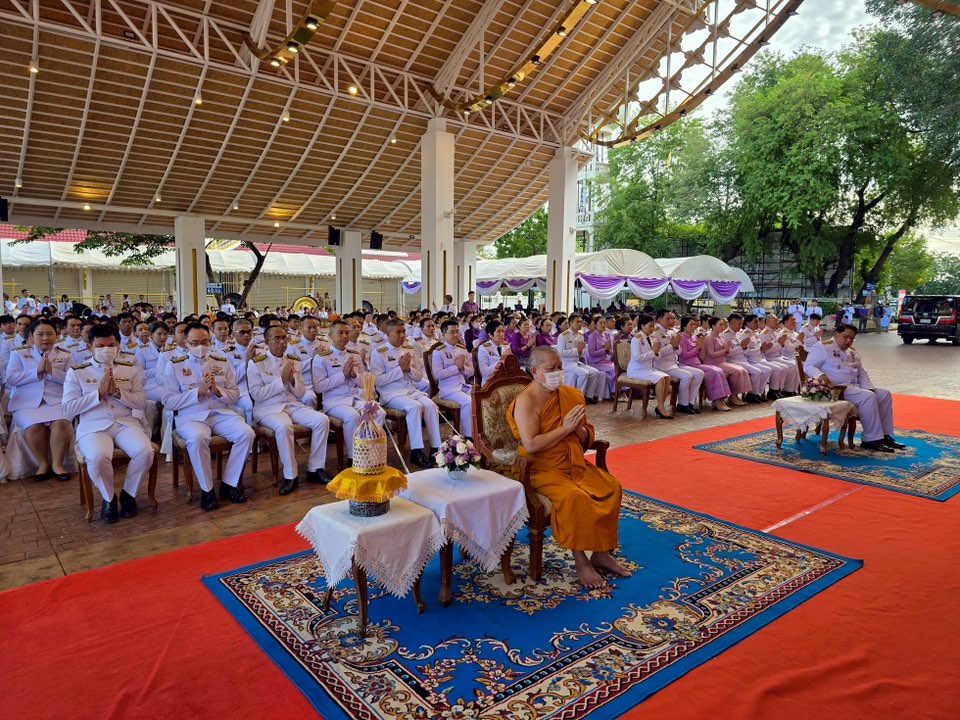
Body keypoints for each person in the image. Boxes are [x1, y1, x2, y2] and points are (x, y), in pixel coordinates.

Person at [508, 346, 630, 589]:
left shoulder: (571, 395)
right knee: (576, 498)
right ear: (535, 371)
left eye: (560, 367)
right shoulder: (526, 401)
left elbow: (586, 435)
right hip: (541, 469)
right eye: (550, 369)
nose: (557, 373)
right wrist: (564, 428)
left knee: (612, 487)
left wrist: (578, 430)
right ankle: (581, 561)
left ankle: (601, 553)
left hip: (573, 462)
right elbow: (531, 445)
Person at [62, 325, 153, 523]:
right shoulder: (77, 372)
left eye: (111, 345)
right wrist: (98, 394)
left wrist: (119, 393)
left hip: (125, 422)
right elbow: (68, 408)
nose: (107, 349)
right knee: (97, 456)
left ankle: (129, 494)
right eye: (100, 345)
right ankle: (108, 498)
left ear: (118, 346)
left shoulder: (130, 370)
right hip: (93, 425)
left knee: (145, 451)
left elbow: (141, 401)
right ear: (89, 346)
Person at [161, 323, 254, 510]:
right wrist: (198, 392)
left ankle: (229, 484)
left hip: (221, 413)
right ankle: (207, 490)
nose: (200, 346)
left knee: (247, 433)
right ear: (186, 343)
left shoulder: (221, 361)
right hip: (191, 416)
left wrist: (216, 390)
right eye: (195, 342)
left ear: (210, 342)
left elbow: (234, 395)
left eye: (204, 342)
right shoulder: (175, 365)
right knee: (197, 438)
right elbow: (169, 401)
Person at [247, 326, 333, 494]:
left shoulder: (294, 360)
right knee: (284, 426)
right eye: (276, 339)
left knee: (322, 420)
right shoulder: (256, 363)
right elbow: (257, 395)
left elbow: (300, 392)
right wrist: (281, 381)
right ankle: (290, 475)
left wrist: (292, 380)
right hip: (268, 408)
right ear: (266, 342)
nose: (282, 342)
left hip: (292, 404)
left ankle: (315, 469)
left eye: (284, 338)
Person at [803, 324, 902, 453]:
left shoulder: (852, 352)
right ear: (836, 334)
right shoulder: (823, 347)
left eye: (852, 339)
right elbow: (809, 366)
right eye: (846, 337)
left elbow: (861, 372)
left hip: (853, 387)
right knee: (868, 397)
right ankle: (870, 440)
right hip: (836, 390)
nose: (849, 341)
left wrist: (869, 388)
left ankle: (884, 435)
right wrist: (821, 375)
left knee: (884, 394)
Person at [5, 319, 75, 481]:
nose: (45, 338)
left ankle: (58, 465)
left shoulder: (65, 355)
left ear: (56, 336)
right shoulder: (19, 354)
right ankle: (43, 464)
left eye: (50, 334)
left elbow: (72, 380)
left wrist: (52, 372)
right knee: (33, 426)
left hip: (56, 400)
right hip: (27, 402)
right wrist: (36, 372)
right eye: (40, 334)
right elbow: (11, 379)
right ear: (31, 337)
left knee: (61, 423)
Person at [372, 319, 441, 468]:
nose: (403, 335)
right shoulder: (378, 353)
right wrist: (400, 369)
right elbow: (377, 381)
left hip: (410, 390)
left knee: (430, 405)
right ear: (388, 333)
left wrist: (408, 369)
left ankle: (436, 448)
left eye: (404, 332)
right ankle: (417, 451)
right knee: (414, 407)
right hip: (391, 394)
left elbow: (417, 377)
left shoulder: (409, 349)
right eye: (398, 332)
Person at [313, 320, 384, 465]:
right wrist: (343, 375)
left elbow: (364, 383)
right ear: (330, 335)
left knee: (379, 412)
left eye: (347, 332)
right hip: (334, 401)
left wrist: (353, 375)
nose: (345, 336)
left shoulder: (354, 354)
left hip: (355, 398)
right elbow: (320, 387)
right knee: (352, 416)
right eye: (340, 333)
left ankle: (371, 452)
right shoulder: (321, 357)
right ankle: (355, 458)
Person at [652, 310, 703, 415]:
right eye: (668, 319)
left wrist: (675, 346)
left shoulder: (672, 332)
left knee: (699, 373)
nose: (671, 321)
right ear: (659, 319)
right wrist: (671, 345)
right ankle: (682, 405)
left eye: (672, 318)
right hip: (662, 366)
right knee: (687, 376)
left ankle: (690, 403)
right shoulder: (654, 333)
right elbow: (656, 355)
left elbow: (679, 351)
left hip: (674, 364)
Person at [677, 315, 731, 411]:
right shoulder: (682, 337)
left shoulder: (693, 337)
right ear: (684, 326)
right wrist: (697, 347)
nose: (694, 326)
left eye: (694, 324)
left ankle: (720, 398)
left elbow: (699, 355)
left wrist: (701, 348)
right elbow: (684, 355)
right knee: (714, 371)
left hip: (697, 364)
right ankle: (716, 399)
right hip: (686, 364)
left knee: (718, 370)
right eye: (691, 324)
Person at [431, 320, 475, 437]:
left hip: (463, 386)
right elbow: (437, 374)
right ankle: (468, 437)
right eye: (452, 332)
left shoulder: (462, 349)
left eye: (457, 332)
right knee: (468, 402)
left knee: (480, 398)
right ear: (444, 334)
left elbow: (471, 372)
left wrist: (462, 368)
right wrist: (457, 367)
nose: (456, 335)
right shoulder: (438, 351)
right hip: (448, 389)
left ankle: (478, 433)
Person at [627, 314, 673, 419]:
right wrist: (653, 352)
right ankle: (661, 408)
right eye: (650, 326)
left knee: (667, 377)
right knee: (660, 379)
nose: (652, 329)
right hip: (637, 369)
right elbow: (637, 357)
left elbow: (657, 356)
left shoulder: (651, 338)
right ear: (642, 326)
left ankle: (660, 406)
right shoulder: (636, 339)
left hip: (648, 369)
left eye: (653, 326)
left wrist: (656, 353)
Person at [556, 314, 606, 403]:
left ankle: (588, 396)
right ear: (571, 323)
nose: (580, 324)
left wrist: (580, 351)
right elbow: (561, 353)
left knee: (595, 372)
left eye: (580, 322)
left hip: (577, 362)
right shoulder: (563, 335)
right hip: (566, 363)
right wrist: (577, 350)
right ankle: (579, 397)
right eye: (577, 322)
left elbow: (582, 352)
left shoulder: (580, 335)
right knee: (584, 373)